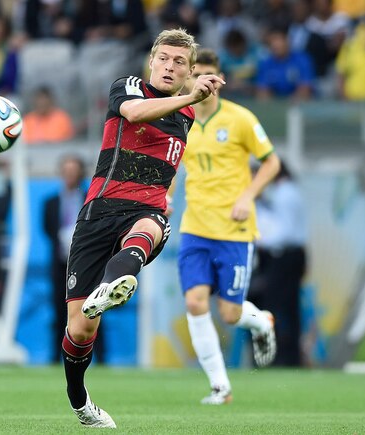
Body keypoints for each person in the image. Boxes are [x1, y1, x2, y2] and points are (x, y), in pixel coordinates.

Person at [61, 28, 224, 428]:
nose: (169, 66)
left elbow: (170, 161)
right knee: (80, 330)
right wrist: (192, 96)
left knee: (151, 228)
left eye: (179, 62)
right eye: (163, 58)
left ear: (188, 71)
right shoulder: (128, 86)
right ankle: (80, 400)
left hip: (146, 209)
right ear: (151, 62)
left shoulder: (186, 116)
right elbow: (134, 114)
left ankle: (111, 285)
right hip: (99, 211)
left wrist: (167, 193)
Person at [176, 48, 280, 405]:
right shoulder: (180, 118)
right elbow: (172, 163)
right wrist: (165, 197)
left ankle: (261, 321)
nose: (203, 82)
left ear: (219, 80)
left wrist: (247, 196)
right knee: (194, 303)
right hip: (195, 227)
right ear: (188, 79)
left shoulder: (240, 119)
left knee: (230, 314)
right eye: (196, 75)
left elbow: (271, 162)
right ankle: (220, 387)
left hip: (234, 230)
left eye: (209, 76)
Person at [43, 156, 105, 364]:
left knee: (93, 308)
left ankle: (100, 357)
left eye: (73, 170)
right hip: (60, 263)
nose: (69, 175)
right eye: (66, 170)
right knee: (59, 310)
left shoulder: (91, 199)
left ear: (80, 173)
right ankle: (55, 357)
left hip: (86, 264)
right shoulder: (51, 203)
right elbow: (48, 229)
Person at [251, 161, 307, 367]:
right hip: (291, 255)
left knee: (278, 307)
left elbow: (284, 232)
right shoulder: (288, 192)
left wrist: (261, 241)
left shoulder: (284, 195)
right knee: (289, 307)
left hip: (283, 255)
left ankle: (281, 357)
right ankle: (289, 357)